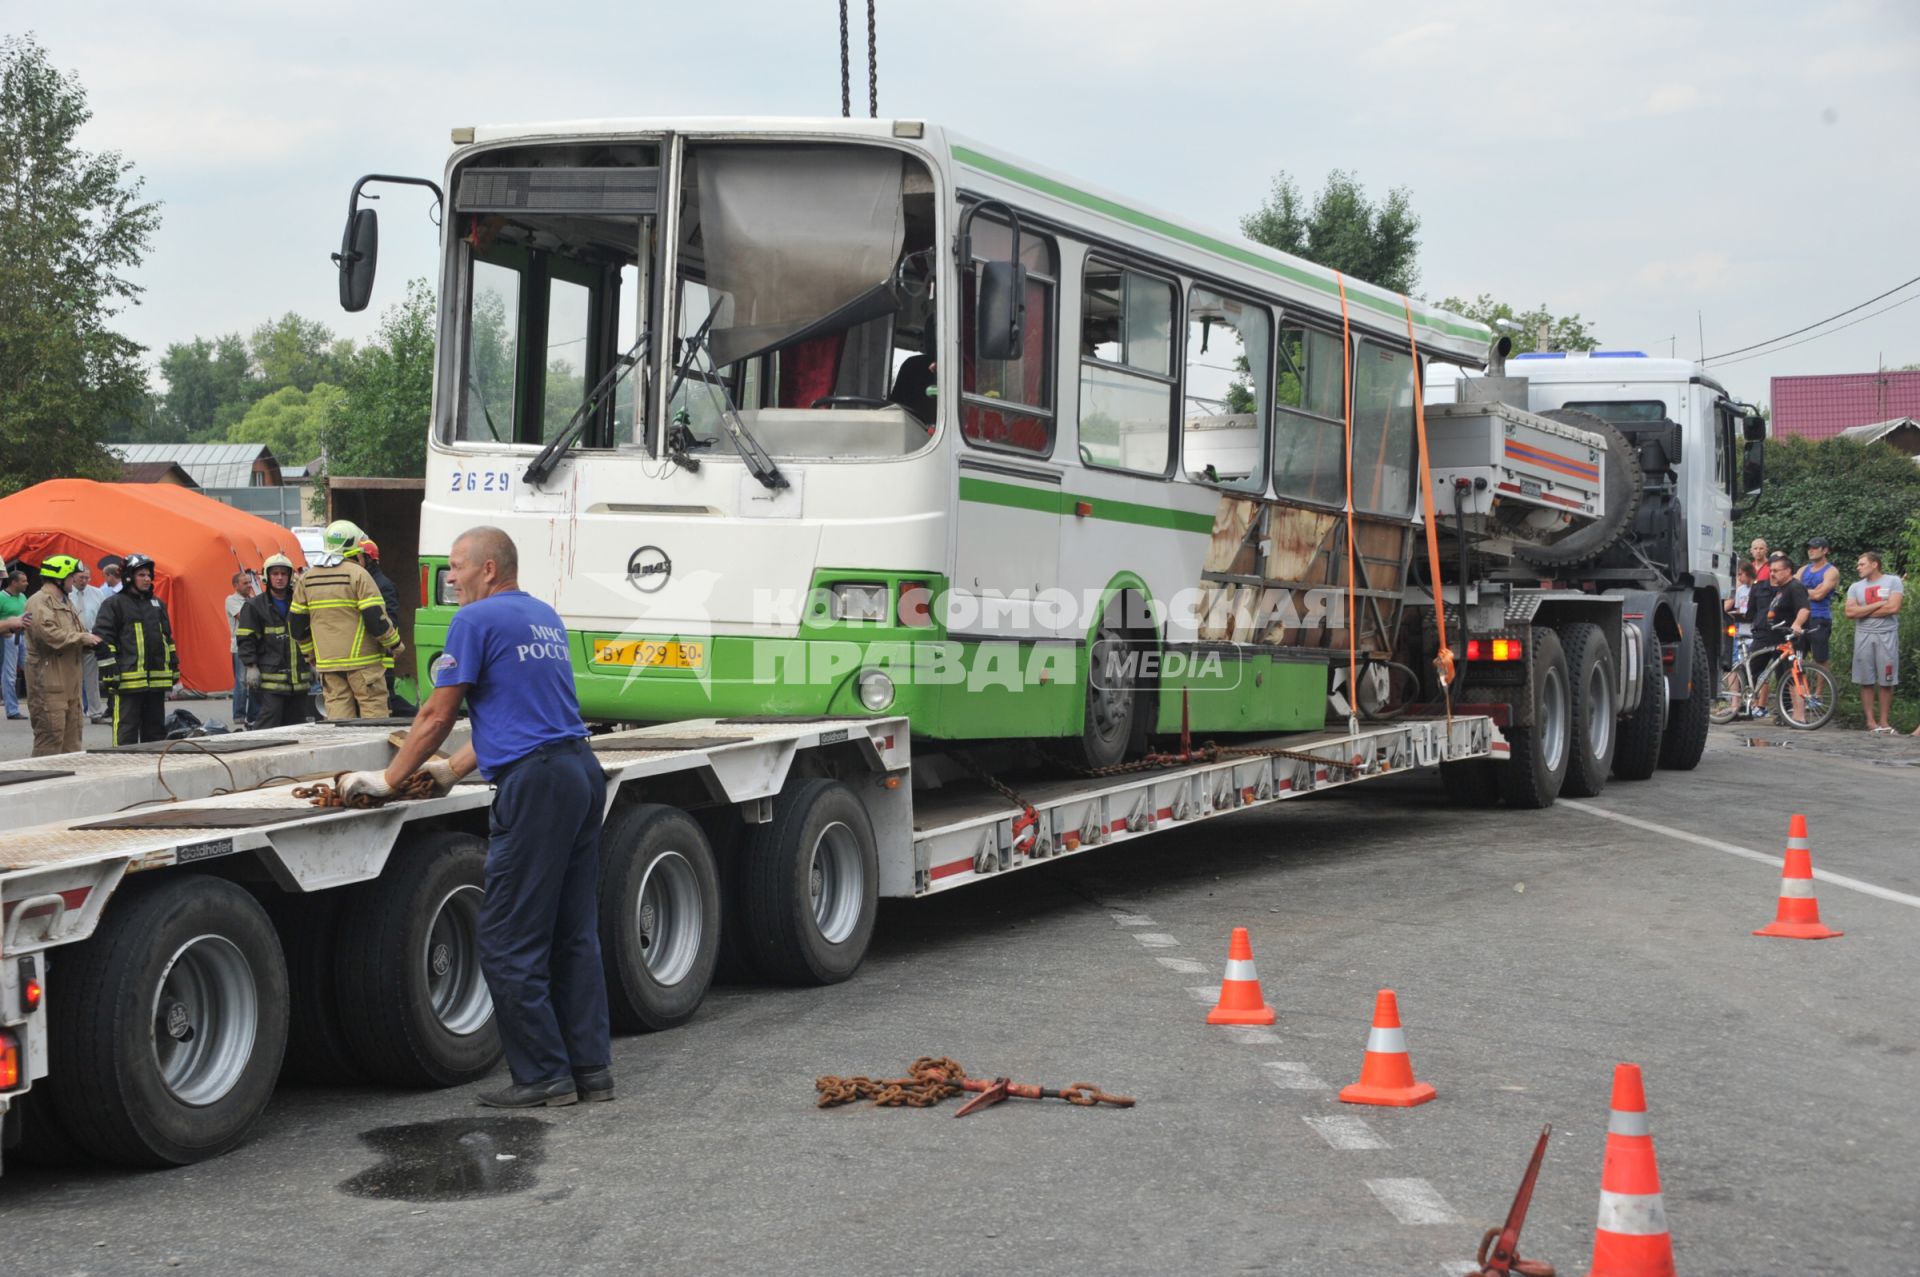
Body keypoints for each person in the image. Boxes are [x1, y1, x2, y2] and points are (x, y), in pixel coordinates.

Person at [338, 526, 612, 1109]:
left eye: (458, 567)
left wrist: (387, 782)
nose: (451, 578)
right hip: (578, 773)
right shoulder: (543, 618)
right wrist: (452, 771)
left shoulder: (474, 622)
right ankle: (591, 1071)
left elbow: (437, 714)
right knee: (573, 934)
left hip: (535, 785)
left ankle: (543, 1077)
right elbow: (525, 713)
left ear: (490, 568)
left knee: (509, 938)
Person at [291, 520, 404, 720]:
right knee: (374, 720)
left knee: (339, 722)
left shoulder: (307, 579)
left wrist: (310, 655)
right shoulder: (358, 575)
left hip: (329, 665)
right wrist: (394, 644)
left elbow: (298, 626)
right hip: (363, 664)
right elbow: (375, 619)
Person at [93, 553, 178, 745]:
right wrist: (109, 670)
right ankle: (123, 769)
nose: (147, 579)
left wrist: (174, 666)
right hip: (127, 681)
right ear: (129, 577)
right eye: (142, 574)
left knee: (156, 732)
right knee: (126, 731)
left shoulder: (157, 605)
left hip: (156, 681)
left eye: (149, 575)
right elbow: (103, 639)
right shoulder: (114, 604)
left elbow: (167, 638)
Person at [23, 555, 101, 756]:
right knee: (50, 742)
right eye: (72, 576)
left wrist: (91, 643)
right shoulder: (39, 601)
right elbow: (47, 634)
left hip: (71, 685)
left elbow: (76, 631)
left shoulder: (66, 602)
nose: (75, 581)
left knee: (72, 746)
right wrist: (82, 638)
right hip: (48, 685)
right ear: (59, 577)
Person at [235, 554, 311, 729]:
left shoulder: (300, 602)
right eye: (275, 573)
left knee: (298, 728)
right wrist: (250, 666)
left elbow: (309, 634)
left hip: (298, 679)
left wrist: (313, 662)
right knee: (269, 723)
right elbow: (246, 639)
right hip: (271, 679)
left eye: (283, 574)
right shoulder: (254, 606)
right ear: (267, 577)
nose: (279, 578)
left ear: (290, 576)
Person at [1845, 551, 1904, 735]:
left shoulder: (1893, 581)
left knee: (1886, 680)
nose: (1858, 567)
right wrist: (1879, 605)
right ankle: (1870, 722)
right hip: (1863, 635)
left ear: (1874, 564)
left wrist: (1862, 611)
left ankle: (1884, 721)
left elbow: (1893, 607)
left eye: (1862, 564)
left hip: (1886, 635)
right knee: (1866, 679)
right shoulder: (1855, 587)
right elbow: (1850, 613)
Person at [359, 536, 410, 716]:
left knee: (388, 700)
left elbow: (390, 620)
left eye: (359, 558)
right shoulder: (363, 582)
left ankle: (417, 717)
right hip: (371, 655)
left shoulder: (382, 585)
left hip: (383, 655)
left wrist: (389, 644)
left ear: (370, 560)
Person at [1757, 553, 1811, 718]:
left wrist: (1797, 624)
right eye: (1771, 570)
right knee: (1783, 677)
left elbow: (1804, 608)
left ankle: (1799, 715)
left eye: (1776, 570)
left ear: (1788, 571)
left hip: (1792, 639)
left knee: (1795, 676)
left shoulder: (1795, 587)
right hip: (1778, 640)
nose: (1772, 574)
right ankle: (1786, 713)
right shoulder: (1781, 589)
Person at [1799, 536, 1841, 672]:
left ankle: (1818, 693)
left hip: (1819, 617)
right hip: (1801, 616)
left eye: (1815, 548)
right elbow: (1790, 588)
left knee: (1820, 659)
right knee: (1797, 657)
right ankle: (1800, 692)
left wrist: (1802, 590)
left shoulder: (1831, 571)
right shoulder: (1804, 569)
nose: (1811, 551)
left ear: (1825, 550)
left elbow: (1819, 595)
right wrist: (1810, 591)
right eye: (1809, 548)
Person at [70, 562, 106, 719]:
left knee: (92, 680)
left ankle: (95, 711)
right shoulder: (65, 593)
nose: (84, 580)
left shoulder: (97, 593)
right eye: (81, 577)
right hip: (71, 641)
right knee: (73, 679)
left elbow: (103, 616)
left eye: (87, 577)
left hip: (92, 641)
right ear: (73, 577)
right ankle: (74, 712)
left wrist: (98, 637)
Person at [225, 570, 255, 729]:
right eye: (245, 583)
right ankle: (239, 715)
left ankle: (253, 715)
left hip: (254, 645)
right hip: (240, 647)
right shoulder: (232, 600)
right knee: (242, 682)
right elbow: (245, 618)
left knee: (254, 682)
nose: (249, 586)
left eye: (250, 582)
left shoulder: (252, 599)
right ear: (235, 586)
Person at [1, 567, 27, 720]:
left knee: (30, 670)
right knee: (9, 675)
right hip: (9, 638)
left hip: (24, 636)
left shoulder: (22, 596)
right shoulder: (1, 598)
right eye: (23, 581)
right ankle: (12, 709)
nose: (27, 583)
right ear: (13, 582)